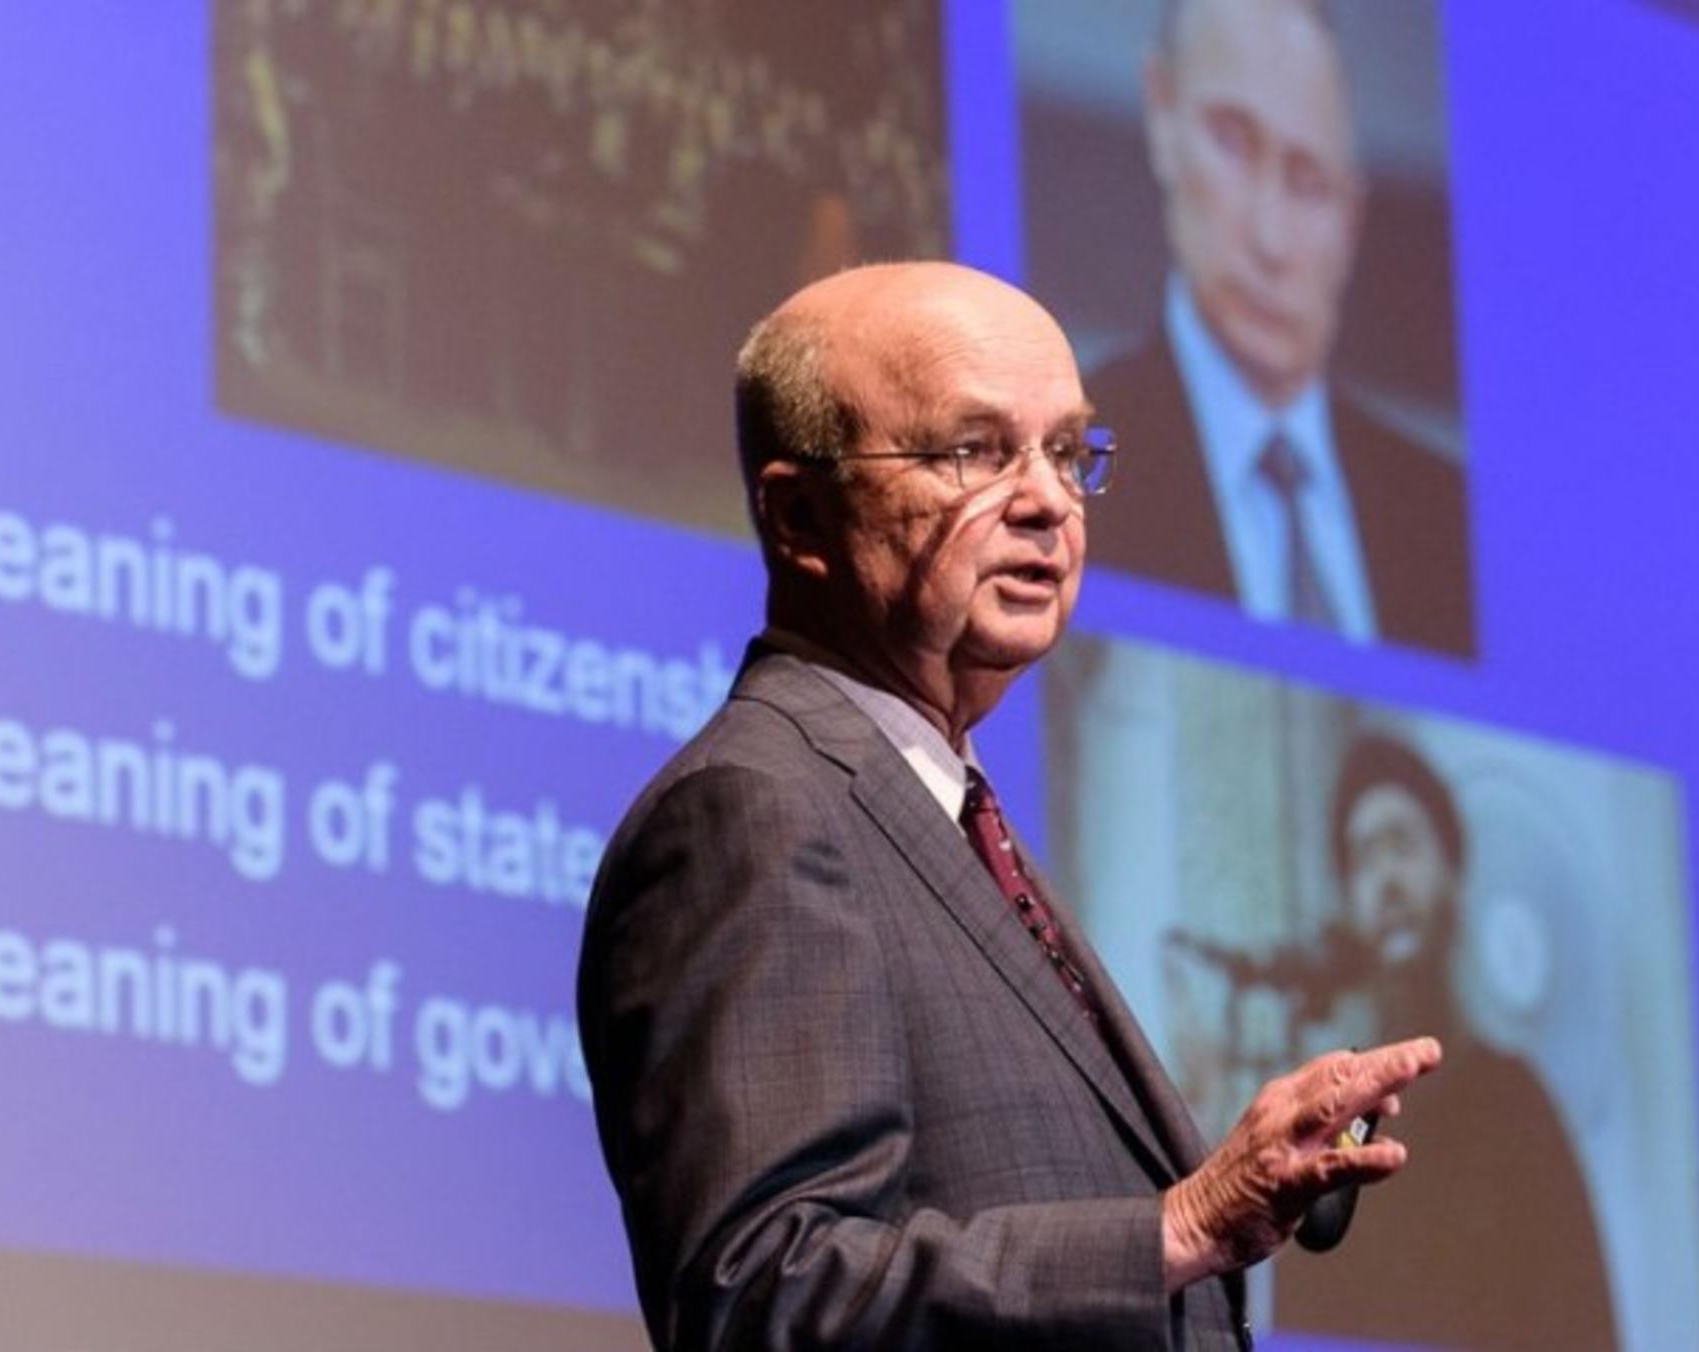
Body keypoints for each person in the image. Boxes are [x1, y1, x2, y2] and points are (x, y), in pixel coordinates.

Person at [578, 260, 1442, 1350]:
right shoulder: (755, 812)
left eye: (1068, 451)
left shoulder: (945, 813)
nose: (1045, 499)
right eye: (972, 451)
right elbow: (765, 1294)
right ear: (800, 513)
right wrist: (1180, 1224)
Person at [1084, 0, 1474, 657]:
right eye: (1233, 143)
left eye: (1310, 181)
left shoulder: (1445, 514)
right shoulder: (1071, 461)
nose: (1270, 238)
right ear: (1162, 116)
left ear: (1352, 221)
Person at [1272, 731, 1618, 1349]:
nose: (1386, 879)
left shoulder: (1519, 1104)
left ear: (1453, 873)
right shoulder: (1334, 1122)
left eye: (1401, 844)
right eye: (1362, 858)